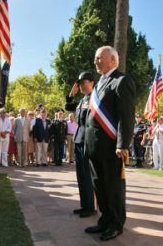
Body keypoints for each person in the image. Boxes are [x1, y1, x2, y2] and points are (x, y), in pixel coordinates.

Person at [84, 46, 135, 241]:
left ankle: (116, 223)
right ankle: (105, 219)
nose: (96, 61)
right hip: (95, 146)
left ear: (113, 60)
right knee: (100, 186)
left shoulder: (122, 81)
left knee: (113, 187)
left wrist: (122, 144)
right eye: (95, 58)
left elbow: (126, 116)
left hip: (112, 147)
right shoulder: (100, 83)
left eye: (100, 58)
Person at [65, 71, 96, 218]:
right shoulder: (83, 99)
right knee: (80, 175)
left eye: (83, 82)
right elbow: (68, 106)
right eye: (79, 83)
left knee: (87, 176)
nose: (81, 85)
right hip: (78, 139)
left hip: (87, 141)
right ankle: (84, 205)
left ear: (92, 83)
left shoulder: (95, 98)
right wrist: (72, 93)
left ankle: (90, 207)